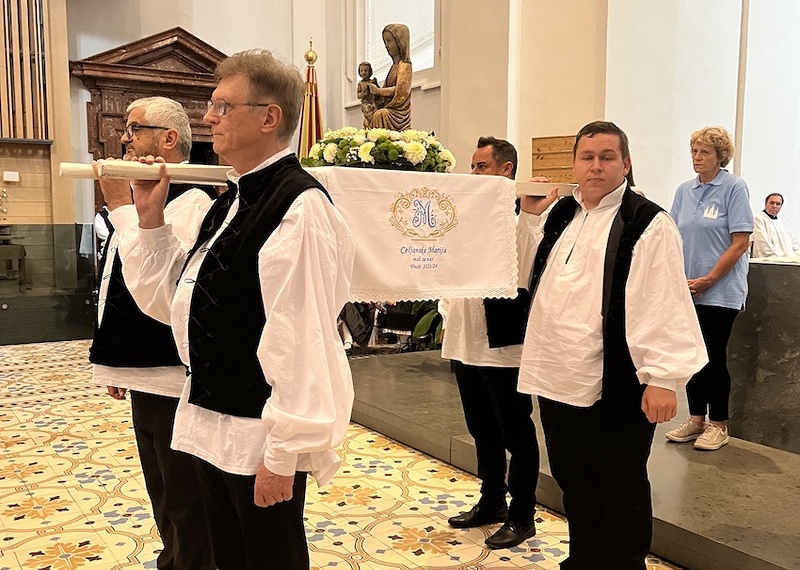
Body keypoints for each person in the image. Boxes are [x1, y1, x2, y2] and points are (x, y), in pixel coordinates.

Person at [117, 50, 356, 570]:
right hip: (211, 422)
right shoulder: (231, 201)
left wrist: (284, 453)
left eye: (223, 107)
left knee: (268, 559)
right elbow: (178, 303)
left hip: (257, 435)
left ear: (269, 117)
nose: (208, 118)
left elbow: (302, 339)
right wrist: (151, 221)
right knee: (226, 557)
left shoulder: (298, 206)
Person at [512, 121, 707, 570]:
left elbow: (663, 300)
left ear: (626, 163)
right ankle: (583, 561)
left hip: (615, 381)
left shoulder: (647, 222)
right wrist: (529, 216)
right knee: (574, 481)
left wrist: (663, 378)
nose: (596, 166)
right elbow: (524, 276)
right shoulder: (561, 213)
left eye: (607, 157)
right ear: (575, 164)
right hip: (557, 375)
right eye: (587, 157)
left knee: (620, 488)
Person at [89, 96, 215, 570]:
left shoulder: (194, 199)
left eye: (134, 127)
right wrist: (114, 359)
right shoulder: (148, 190)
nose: (124, 137)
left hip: (173, 376)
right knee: (162, 493)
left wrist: (123, 209)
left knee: (186, 499)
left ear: (168, 138)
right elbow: (116, 281)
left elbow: (163, 286)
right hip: (145, 372)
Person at [440, 137, 539, 550]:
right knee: (481, 429)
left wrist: (530, 216)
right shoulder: (467, 216)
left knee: (516, 433)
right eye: (473, 166)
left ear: (505, 170)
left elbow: (525, 271)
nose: (474, 173)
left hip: (502, 347)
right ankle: (492, 500)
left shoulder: (522, 219)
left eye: (482, 166)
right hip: (465, 341)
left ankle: (523, 515)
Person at [667, 126, 754, 451]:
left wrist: (709, 279)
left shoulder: (734, 188)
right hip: (688, 289)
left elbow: (740, 242)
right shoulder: (684, 191)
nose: (697, 157)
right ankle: (695, 419)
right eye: (694, 151)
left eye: (705, 152)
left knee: (712, 356)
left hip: (720, 290)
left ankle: (718, 424)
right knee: (691, 356)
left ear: (721, 156)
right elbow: (673, 236)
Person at [368, 23, 412, 131]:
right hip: (388, 107)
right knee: (369, 116)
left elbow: (401, 91)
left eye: (389, 41)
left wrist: (378, 91)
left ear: (400, 42)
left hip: (398, 112)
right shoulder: (393, 67)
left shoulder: (404, 66)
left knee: (380, 115)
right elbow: (385, 90)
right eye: (385, 42)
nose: (386, 46)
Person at [752, 192, 800, 258]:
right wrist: (780, 258)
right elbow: (763, 244)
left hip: (785, 259)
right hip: (771, 260)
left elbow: (791, 239)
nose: (774, 206)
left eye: (778, 204)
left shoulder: (781, 220)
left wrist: (796, 253)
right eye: (772, 203)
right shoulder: (759, 219)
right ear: (765, 204)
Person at [356, 61, 379, 128]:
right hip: (365, 103)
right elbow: (359, 96)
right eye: (361, 71)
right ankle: (368, 127)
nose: (363, 72)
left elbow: (378, 91)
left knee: (376, 116)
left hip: (373, 102)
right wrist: (363, 94)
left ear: (370, 71)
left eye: (366, 70)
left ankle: (373, 127)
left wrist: (375, 84)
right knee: (369, 116)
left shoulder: (372, 82)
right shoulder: (360, 83)